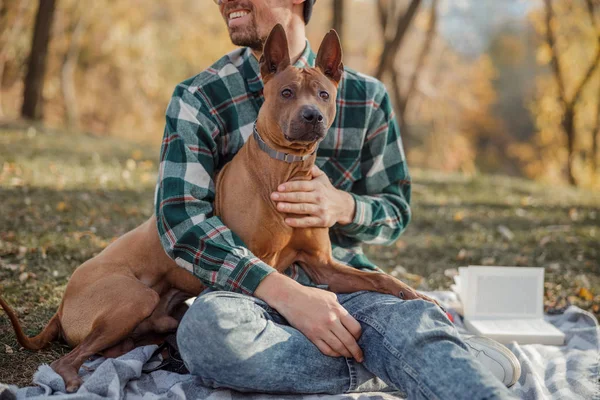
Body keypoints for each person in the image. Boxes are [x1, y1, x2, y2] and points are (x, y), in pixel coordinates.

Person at [155, 1, 520, 398]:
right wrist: (284, 293)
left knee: (407, 313)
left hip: (343, 293)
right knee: (204, 333)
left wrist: (344, 206)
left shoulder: (367, 97)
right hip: (246, 295)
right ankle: (411, 362)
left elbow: (395, 210)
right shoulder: (199, 96)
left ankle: (416, 350)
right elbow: (181, 221)